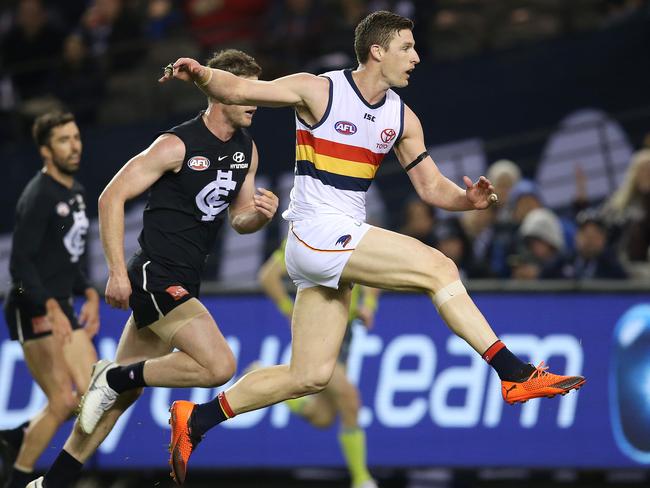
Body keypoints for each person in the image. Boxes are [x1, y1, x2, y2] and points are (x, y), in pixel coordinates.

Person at [159, 10, 585, 484]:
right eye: (407, 47)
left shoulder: (402, 117)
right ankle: (513, 373)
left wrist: (466, 200)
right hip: (315, 233)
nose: (417, 57)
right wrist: (201, 73)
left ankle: (195, 420)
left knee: (310, 375)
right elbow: (237, 90)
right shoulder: (320, 89)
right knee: (439, 268)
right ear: (377, 51)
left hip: (332, 246)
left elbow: (429, 186)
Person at [26, 49, 278, 488]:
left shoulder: (247, 151)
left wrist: (259, 215)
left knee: (116, 401)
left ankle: (52, 483)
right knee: (219, 366)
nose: (255, 98)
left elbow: (239, 220)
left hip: (184, 276)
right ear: (220, 91)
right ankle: (115, 373)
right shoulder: (176, 144)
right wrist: (118, 271)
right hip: (156, 275)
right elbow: (111, 197)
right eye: (246, 90)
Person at [0, 111, 100, 488]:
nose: (74, 146)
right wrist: (51, 307)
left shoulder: (74, 192)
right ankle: (20, 479)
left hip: (60, 304)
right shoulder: (39, 196)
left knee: (91, 397)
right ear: (45, 151)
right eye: (63, 140)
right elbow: (20, 267)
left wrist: (88, 291)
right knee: (63, 400)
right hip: (33, 307)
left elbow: (63, 258)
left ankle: (18, 435)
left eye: (76, 137)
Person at [258, 241, 379, 488]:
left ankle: (270, 383)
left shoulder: (355, 235)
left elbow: (375, 273)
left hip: (346, 332)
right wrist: (289, 309)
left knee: (323, 417)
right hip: (319, 329)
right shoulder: (306, 237)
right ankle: (362, 479)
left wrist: (368, 305)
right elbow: (268, 276)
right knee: (349, 398)